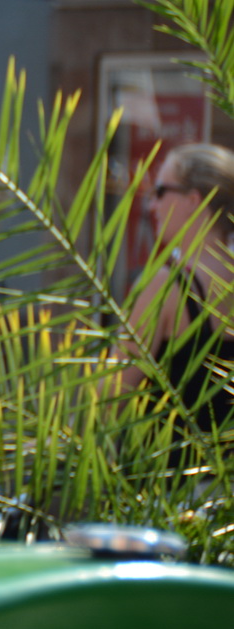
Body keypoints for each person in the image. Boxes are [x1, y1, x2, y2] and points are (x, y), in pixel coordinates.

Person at [120, 143, 234, 434]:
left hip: (164, 476)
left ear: (194, 200)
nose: (151, 205)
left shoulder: (166, 285)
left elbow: (113, 392)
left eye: (160, 192)